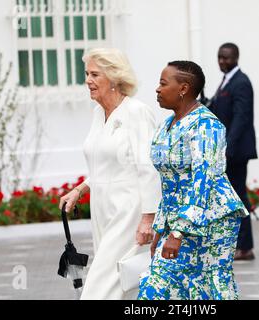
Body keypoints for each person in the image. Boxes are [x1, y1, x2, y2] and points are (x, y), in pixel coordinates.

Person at [137, 61, 248, 300]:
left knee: (211, 285)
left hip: (213, 220)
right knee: (169, 286)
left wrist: (178, 232)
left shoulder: (207, 125)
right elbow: (169, 185)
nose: (157, 89)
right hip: (178, 219)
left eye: (163, 83)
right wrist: (161, 227)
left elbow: (203, 179)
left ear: (183, 88)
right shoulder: (166, 125)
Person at [59, 48, 161, 299]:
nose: (88, 80)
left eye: (95, 74)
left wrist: (148, 218)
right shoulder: (98, 113)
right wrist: (80, 189)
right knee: (114, 283)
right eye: (87, 73)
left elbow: (148, 166)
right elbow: (104, 164)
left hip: (128, 210)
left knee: (98, 287)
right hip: (102, 209)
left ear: (114, 77)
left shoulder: (136, 112)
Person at [208, 43, 258, 261]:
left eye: (226, 58)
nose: (222, 61)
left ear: (236, 57)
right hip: (229, 149)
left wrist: (227, 147)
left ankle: (245, 247)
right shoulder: (226, 80)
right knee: (232, 197)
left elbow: (241, 118)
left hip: (236, 152)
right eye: (219, 57)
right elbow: (221, 108)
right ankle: (235, 243)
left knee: (238, 198)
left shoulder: (241, 82)